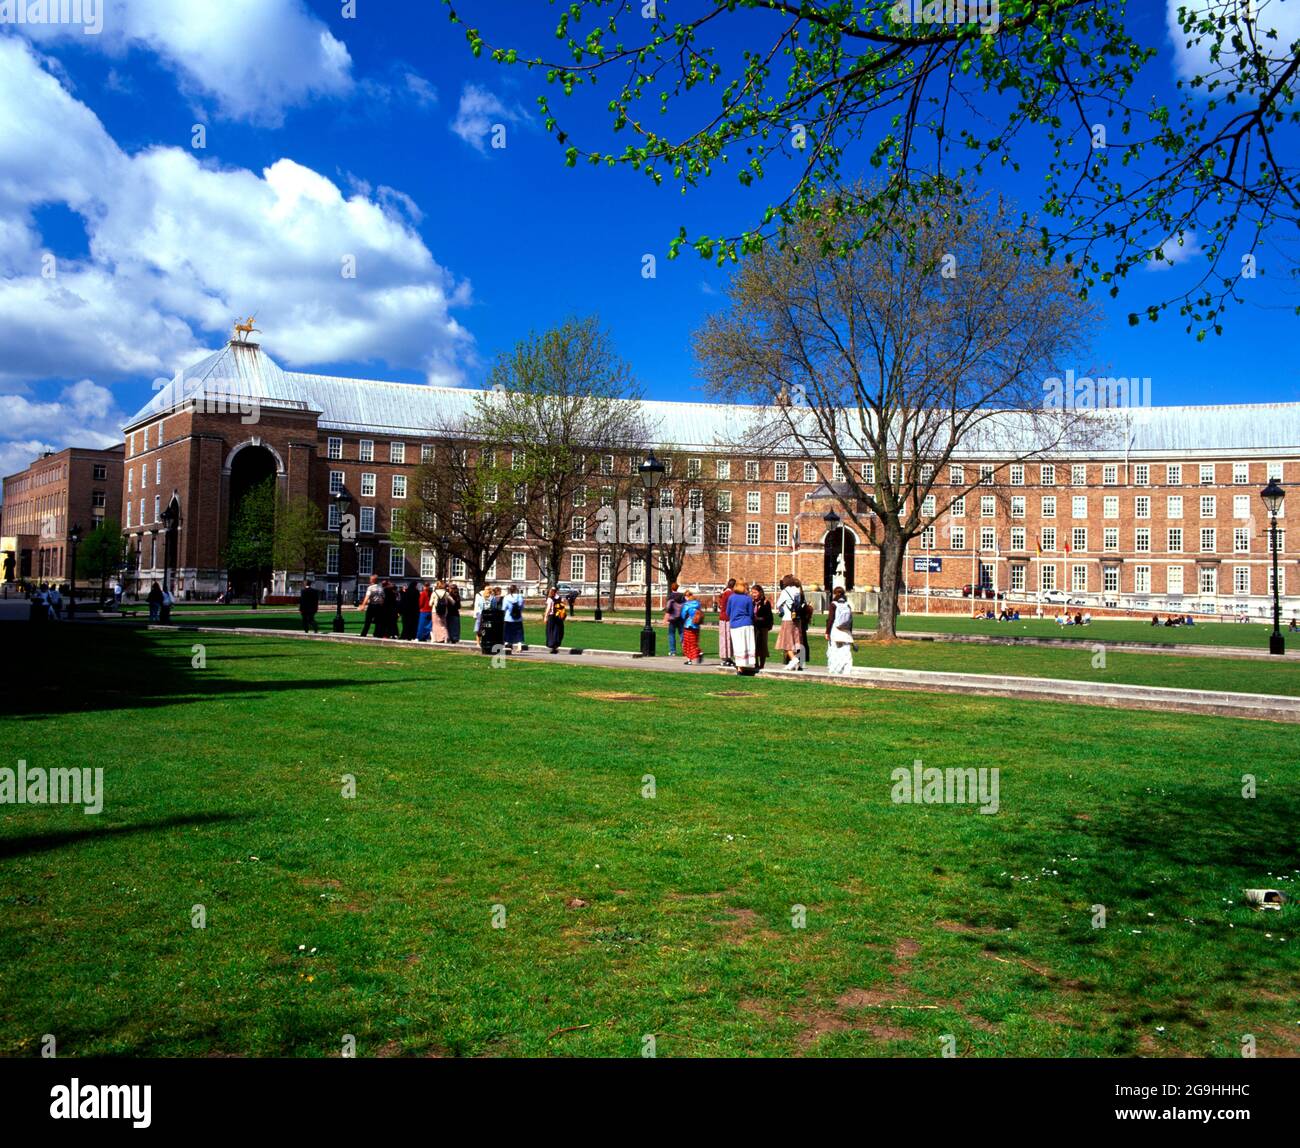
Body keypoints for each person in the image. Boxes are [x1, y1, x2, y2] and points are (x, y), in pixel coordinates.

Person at [726, 578, 757, 673]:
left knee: (738, 645)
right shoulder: (747, 599)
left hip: (735, 625)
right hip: (747, 623)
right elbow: (751, 613)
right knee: (747, 645)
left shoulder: (731, 597)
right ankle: (748, 664)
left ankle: (740, 667)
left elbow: (728, 612)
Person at [775, 576, 804, 670]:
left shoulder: (785, 591)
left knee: (786, 641)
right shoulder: (798, 590)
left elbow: (778, 604)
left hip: (787, 618)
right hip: (797, 619)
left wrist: (782, 607)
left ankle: (794, 659)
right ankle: (795, 663)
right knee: (795, 641)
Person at [826, 586, 855, 676]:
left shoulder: (833, 604)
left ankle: (834, 669)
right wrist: (850, 632)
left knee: (835, 651)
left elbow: (830, 619)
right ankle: (847, 669)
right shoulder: (847, 605)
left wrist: (827, 632)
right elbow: (850, 620)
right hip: (846, 631)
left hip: (836, 630)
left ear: (835, 594)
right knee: (846, 652)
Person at [752, 583, 773, 671]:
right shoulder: (751, 602)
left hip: (763, 627)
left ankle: (762, 665)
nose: (753, 594)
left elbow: (768, 616)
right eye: (752, 592)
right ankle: (755, 663)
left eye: (755, 592)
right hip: (754, 626)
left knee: (762, 646)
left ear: (760, 593)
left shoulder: (765, 602)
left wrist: (759, 618)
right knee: (754, 645)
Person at [717, 578, 736, 667]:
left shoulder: (724, 593)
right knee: (727, 638)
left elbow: (721, 605)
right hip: (727, 618)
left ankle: (726, 657)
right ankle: (726, 657)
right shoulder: (730, 594)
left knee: (724, 638)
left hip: (723, 618)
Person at [479, 587, 505, 655]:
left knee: (484, 632)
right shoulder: (493, 598)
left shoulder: (482, 598)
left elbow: (481, 607)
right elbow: (494, 607)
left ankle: (484, 646)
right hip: (492, 617)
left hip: (484, 616)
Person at [664, 581, 686, 656]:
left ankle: (673, 651)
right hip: (681, 618)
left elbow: (668, 608)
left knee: (671, 634)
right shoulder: (682, 596)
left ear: (671, 588)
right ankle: (685, 650)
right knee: (682, 634)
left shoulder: (670, 596)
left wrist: (666, 618)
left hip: (673, 618)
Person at [681, 590, 703, 664]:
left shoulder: (687, 605)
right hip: (696, 625)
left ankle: (696, 654)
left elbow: (683, 615)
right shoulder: (697, 603)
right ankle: (691, 658)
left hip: (689, 625)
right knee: (694, 641)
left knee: (687, 642)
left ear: (686, 596)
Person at [503, 584, 526, 651]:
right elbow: (522, 607)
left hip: (508, 618)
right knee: (519, 632)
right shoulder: (520, 597)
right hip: (518, 618)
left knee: (508, 632)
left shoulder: (506, 597)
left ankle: (508, 644)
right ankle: (519, 646)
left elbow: (504, 608)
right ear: (516, 590)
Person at [544, 585, 566, 653]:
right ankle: (556, 645)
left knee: (550, 631)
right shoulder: (560, 598)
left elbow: (548, 608)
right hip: (559, 617)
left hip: (551, 617)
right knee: (557, 631)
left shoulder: (550, 599)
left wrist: (545, 616)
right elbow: (563, 607)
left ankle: (552, 645)